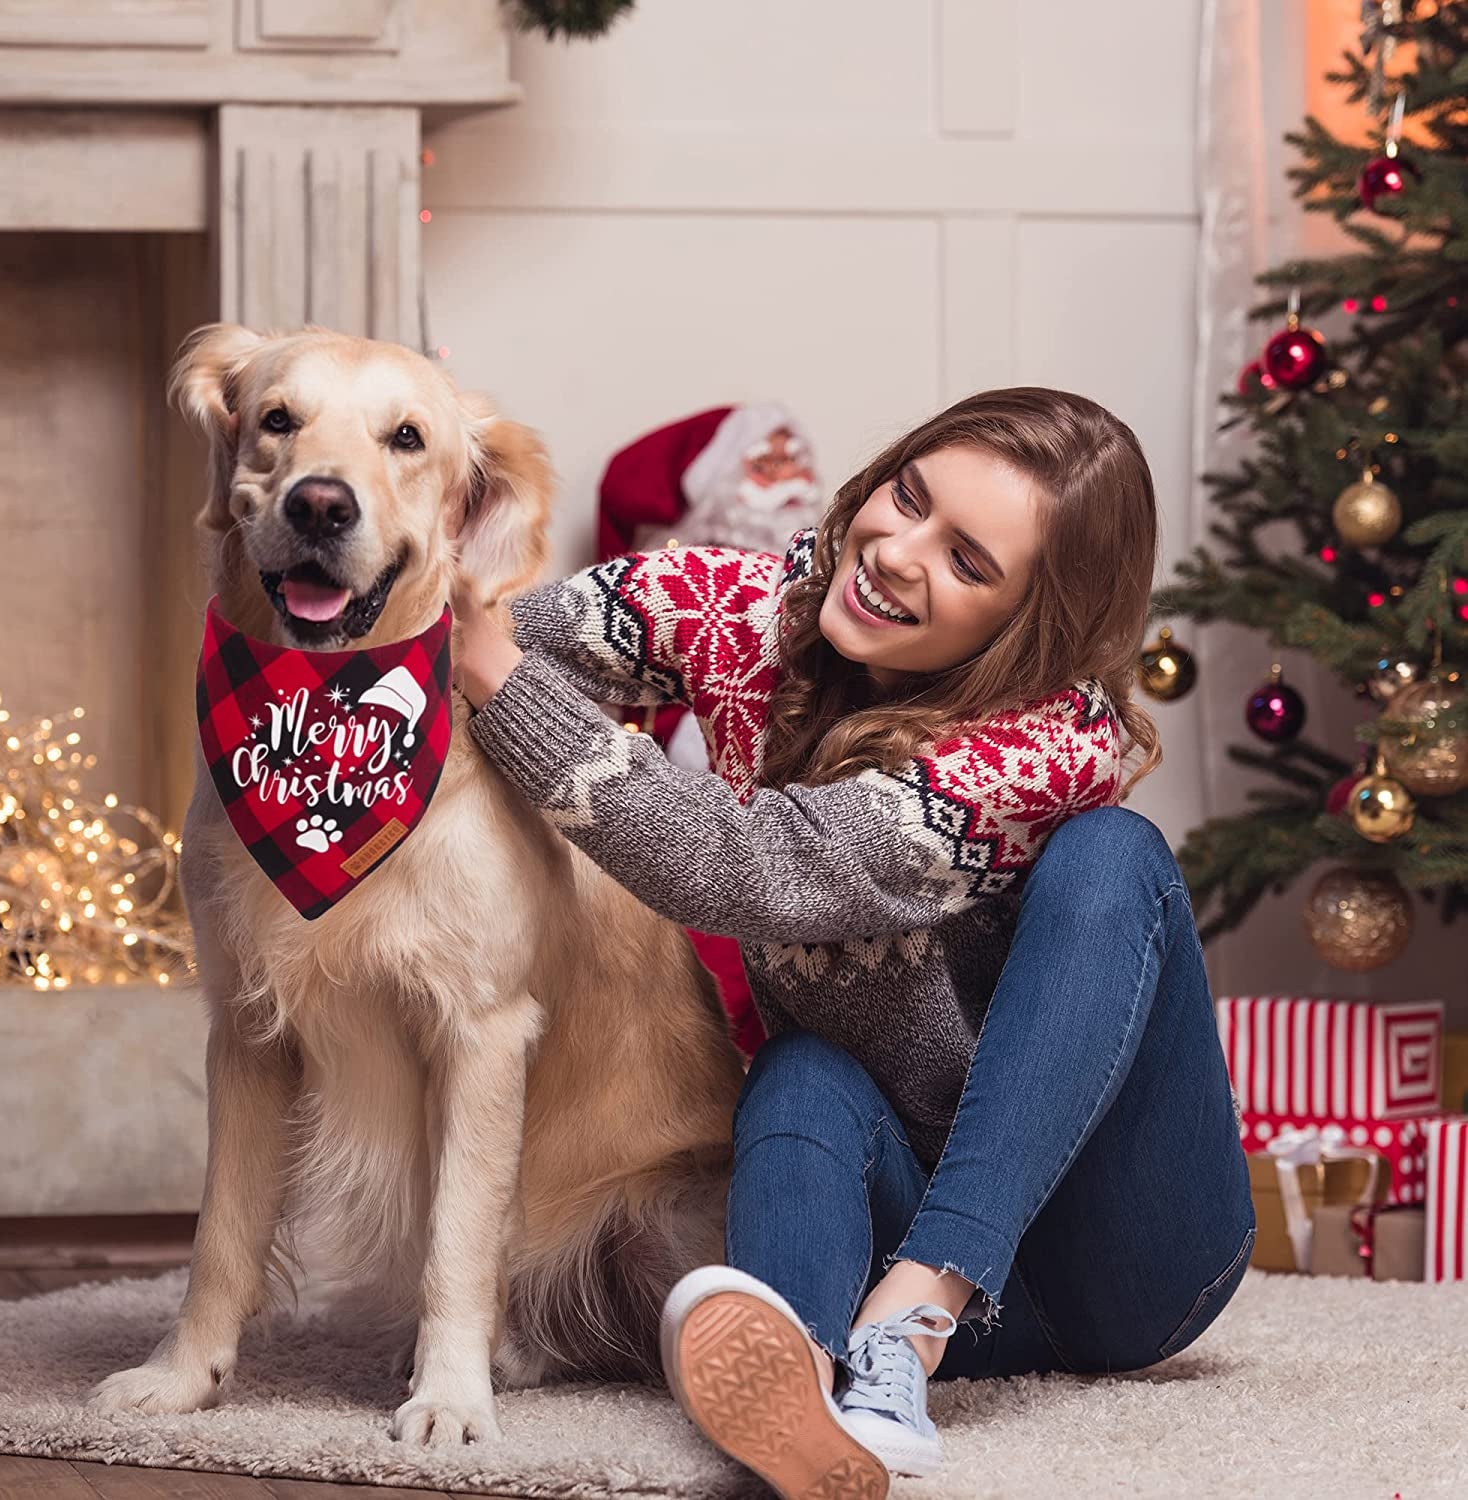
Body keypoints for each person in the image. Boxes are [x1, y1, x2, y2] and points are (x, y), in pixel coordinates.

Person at [451, 388, 1255, 1500]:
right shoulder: (750, 606)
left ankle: (916, 1315)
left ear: (1030, 625)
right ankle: (810, 1382)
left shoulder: (1054, 745)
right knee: (799, 1069)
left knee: (1112, 857)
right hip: (896, 1210)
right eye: (907, 497)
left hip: (1126, 1253)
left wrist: (496, 677)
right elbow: (488, 634)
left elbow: (751, 868)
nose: (896, 554)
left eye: (968, 561)